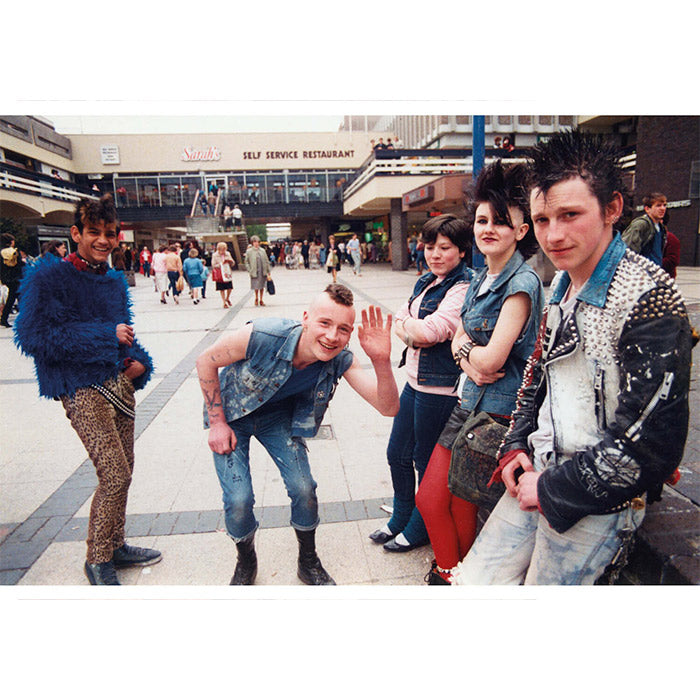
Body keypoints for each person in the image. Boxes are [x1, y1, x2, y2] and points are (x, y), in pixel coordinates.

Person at [452, 129, 692, 585]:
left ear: (613, 209)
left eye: (570, 215)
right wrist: (515, 446)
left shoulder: (648, 297)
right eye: (542, 220)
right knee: (473, 584)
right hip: (539, 468)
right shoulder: (560, 286)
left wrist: (549, 487)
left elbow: (652, 446)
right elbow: (535, 377)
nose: (554, 235)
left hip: (600, 500)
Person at [196, 284, 400, 585]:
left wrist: (381, 361)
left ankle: (308, 560)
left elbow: (388, 407)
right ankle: (246, 558)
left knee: (304, 488)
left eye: (343, 329)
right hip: (232, 415)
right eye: (325, 323)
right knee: (239, 499)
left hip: (276, 418)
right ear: (306, 318)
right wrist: (217, 423)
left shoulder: (340, 358)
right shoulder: (264, 335)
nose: (332, 336)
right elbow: (205, 361)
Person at [13, 195, 159, 585]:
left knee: (125, 471)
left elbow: (122, 335)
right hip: (79, 390)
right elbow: (32, 337)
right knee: (113, 473)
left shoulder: (112, 280)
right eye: (94, 232)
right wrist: (104, 336)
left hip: (118, 385)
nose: (103, 240)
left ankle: (116, 544)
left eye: (109, 233)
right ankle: (97, 558)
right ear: (76, 233)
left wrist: (139, 362)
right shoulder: (47, 277)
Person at [415, 161, 543, 584]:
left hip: (499, 416)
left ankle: (451, 575)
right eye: (483, 220)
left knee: (459, 502)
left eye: (502, 222)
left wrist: (468, 352)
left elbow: (489, 361)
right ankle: (453, 571)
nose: (489, 228)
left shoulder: (520, 284)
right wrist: (470, 353)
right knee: (433, 499)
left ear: (522, 231)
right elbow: (461, 345)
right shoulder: (478, 281)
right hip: (469, 403)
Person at [369, 215, 473, 553]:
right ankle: (401, 516)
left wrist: (411, 329)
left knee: (425, 461)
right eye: (430, 247)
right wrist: (411, 329)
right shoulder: (427, 280)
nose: (436, 254)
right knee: (396, 453)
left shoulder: (463, 287)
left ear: (461, 250)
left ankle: (421, 526)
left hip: (440, 391)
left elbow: (429, 332)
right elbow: (403, 321)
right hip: (415, 383)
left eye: (445, 248)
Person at [621, 192, 667, 266]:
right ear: (647, 209)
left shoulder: (661, 228)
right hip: (641, 273)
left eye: (664, 205)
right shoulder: (640, 225)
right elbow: (628, 251)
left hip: (654, 272)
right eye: (658, 205)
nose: (663, 208)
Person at [0, 234, 24, 328]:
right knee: (19, 298)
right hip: (16, 278)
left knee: (13, 297)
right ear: (11, 241)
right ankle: (24, 318)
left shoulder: (1, 252)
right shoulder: (15, 251)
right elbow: (19, 265)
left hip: (7, 279)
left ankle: (4, 318)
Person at [244, 235, 271, 307]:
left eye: (257, 242)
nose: (256, 243)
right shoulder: (249, 251)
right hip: (254, 271)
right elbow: (246, 262)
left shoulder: (262, 250)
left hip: (262, 270)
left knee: (262, 285)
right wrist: (249, 270)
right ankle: (256, 298)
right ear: (252, 243)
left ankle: (261, 299)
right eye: (254, 242)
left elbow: (266, 260)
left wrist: (268, 271)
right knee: (256, 286)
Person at [212, 241, 234, 308]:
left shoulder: (228, 254)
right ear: (218, 249)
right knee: (222, 288)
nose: (223, 251)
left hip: (227, 273)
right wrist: (221, 264)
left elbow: (232, 263)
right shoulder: (215, 255)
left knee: (230, 287)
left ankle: (227, 298)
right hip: (220, 273)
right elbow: (213, 265)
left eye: (224, 249)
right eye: (221, 249)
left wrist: (230, 262)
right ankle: (224, 302)